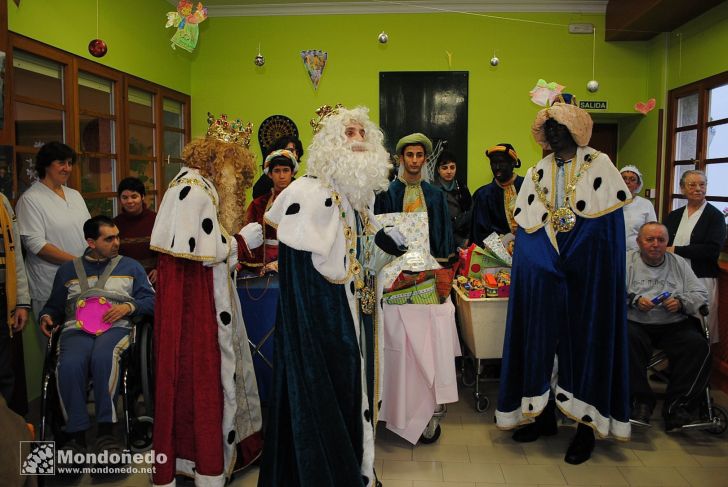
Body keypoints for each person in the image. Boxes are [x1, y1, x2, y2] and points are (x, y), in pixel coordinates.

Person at [259, 105, 402, 487]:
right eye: (349, 132)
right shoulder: (306, 191)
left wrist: (385, 246)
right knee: (333, 396)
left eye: (362, 133)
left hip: (354, 313)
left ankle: (358, 466)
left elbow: (359, 260)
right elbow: (301, 276)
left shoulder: (359, 197)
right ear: (330, 143)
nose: (357, 140)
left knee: (354, 395)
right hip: (325, 324)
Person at [495, 97, 632, 464]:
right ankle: (544, 417)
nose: (552, 135)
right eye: (548, 129)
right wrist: (541, 266)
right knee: (540, 344)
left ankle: (585, 428)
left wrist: (576, 261)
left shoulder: (600, 165)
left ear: (575, 129)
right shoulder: (538, 172)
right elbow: (529, 231)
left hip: (586, 281)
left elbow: (605, 234)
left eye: (559, 128)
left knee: (585, 345)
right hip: (545, 279)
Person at [150, 113, 263, 486]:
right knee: (201, 377)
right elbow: (206, 251)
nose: (235, 176)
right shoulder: (194, 191)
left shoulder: (197, 187)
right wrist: (243, 241)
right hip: (198, 310)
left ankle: (216, 455)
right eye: (232, 163)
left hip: (206, 299)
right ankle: (205, 462)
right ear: (216, 158)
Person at [38, 216, 155, 460]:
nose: (117, 243)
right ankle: (76, 434)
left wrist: (129, 308)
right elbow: (54, 306)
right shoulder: (68, 270)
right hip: (76, 330)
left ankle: (106, 432)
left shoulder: (131, 267)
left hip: (116, 328)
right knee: (68, 364)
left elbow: (152, 301)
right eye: (109, 238)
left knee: (105, 358)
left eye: (118, 237)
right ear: (91, 242)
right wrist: (47, 317)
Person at [626, 222, 709, 431]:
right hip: (636, 322)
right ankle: (641, 402)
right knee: (626, 341)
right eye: (650, 239)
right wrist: (634, 299)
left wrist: (681, 303)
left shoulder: (679, 263)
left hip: (673, 324)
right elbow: (608, 291)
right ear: (639, 242)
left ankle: (678, 406)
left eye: (661, 240)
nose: (655, 244)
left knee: (698, 346)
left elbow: (700, 294)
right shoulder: (626, 261)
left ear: (667, 243)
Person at [15, 142, 90, 354]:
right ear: (46, 165)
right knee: (56, 352)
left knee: (82, 349)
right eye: (61, 163)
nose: (67, 168)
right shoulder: (30, 200)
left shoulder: (74, 195)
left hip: (82, 282)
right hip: (50, 286)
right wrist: (77, 262)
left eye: (69, 163)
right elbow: (36, 245)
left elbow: (88, 234)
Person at [663, 170, 726, 342]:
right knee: (675, 325)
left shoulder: (715, 217)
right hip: (674, 277)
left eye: (702, 184)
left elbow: (711, 251)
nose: (698, 188)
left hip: (701, 279)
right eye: (692, 185)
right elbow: (662, 244)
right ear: (682, 189)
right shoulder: (674, 216)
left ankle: (702, 366)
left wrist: (677, 249)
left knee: (701, 326)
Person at [374, 132, 455, 265]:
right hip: (396, 268)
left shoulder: (436, 195)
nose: (415, 160)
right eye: (410, 155)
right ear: (401, 158)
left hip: (430, 266)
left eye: (419, 155)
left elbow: (444, 234)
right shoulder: (387, 194)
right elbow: (378, 233)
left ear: (425, 159)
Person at [241, 149, 298, 274]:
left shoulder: (302, 202)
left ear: (292, 173)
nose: (282, 176)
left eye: (286, 170)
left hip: (294, 259)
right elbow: (247, 237)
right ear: (269, 174)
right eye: (277, 171)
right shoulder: (258, 204)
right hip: (263, 262)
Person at [0, 193, 31, 413]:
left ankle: (8, 437)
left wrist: (21, 301)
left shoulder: (1, 202)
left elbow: (15, 253)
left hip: (3, 298)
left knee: (4, 371)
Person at [470, 143, 525, 245]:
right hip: (496, 255)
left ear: (513, 163)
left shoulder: (527, 187)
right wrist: (502, 245)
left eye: (502, 162)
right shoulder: (483, 195)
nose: (497, 167)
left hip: (526, 251)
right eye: (493, 163)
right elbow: (479, 233)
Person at [113, 177, 158, 284]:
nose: (129, 201)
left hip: (153, 280)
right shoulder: (114, 224)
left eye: (134, 196)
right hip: (124, 280)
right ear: (120, 200)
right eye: (125, 197)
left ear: (142, 197)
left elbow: (165, 250)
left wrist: (158, 269)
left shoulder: (156, 220)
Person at [432, 150, 471, 248]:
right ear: (438, 170)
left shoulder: (463, 187)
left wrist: (468, 238)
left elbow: (471, 212)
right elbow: (434, 223)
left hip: (465, 238)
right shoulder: (432, 190)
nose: (449, 171)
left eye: (452, 167)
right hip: (442, 241)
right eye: (444, 168)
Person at [252, 135, 304, 199]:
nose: (295, 155)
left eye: (297, 152)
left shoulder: (296, 183)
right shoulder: (264, 183)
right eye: (290, 151)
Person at [620, 165, 656, 252]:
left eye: (632, 179)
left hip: (636, 253)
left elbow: (652, 231)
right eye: (624, 178)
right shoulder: (608, 203)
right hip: (611, 252)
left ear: (638, 185)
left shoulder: (646, 204)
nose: (627, 182)